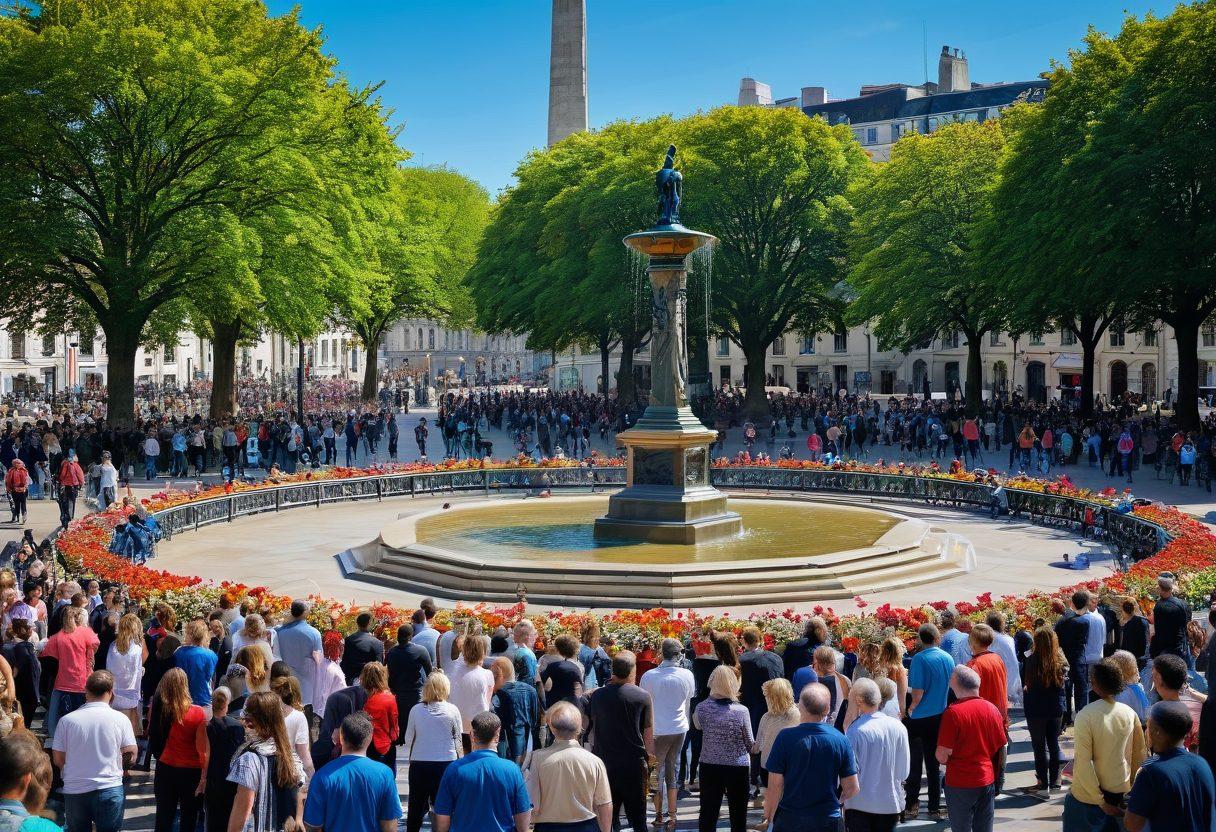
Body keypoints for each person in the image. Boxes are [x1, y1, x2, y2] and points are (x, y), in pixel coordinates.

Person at [1064, 658, 1147, 831]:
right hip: (1119, 789)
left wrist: (1100, 801)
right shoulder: (1129, 713)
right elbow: (1139, 755)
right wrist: (1130, 790)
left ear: (1094, 684)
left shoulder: (1086, 715)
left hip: (1087, 797)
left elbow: (1084, 762)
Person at [763, 683, 858, 832]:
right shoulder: (841, 740)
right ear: (827, 709)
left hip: (790, 819)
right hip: (828, 819)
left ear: (800, 706)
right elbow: (852, 788)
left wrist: (770, 814)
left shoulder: (785, 737)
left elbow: (775, 785)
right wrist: (836, 802)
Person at [51, 671, 138, 832]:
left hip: (75, 789)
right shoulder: (121, 719)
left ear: (86, 691)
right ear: (111, 693)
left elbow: (57, 759)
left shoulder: (67, 721)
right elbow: (131, 755)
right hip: (110, 788)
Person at [583, 650, 653, 832]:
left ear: (613, 671)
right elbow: (647, 731)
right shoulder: (643, 696)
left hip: (605, 761)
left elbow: (589, 724)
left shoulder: (597, 696)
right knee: (638, 817)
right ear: (633, 671)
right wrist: (651, 759)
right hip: (633, 763)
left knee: (608, 817)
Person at [303, 711, 403, 832]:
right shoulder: (385, 774)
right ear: (370, 739)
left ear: (341, 737)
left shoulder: (322, 776)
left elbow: (313, 826)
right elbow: (389, 825)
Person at [432, 711, 531, 832]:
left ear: (472, 735)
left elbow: (442, 819)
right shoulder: (512, 770)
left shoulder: (454, 769)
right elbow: (523, 822)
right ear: (498, 735)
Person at [1125, 701, 1215, 832]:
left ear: (1157, 732)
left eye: (1149, 726)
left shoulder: (1150, 773)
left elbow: (1132, 824)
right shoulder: (1201, 763)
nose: (1146, 731)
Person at [936, 666, 1007, 832]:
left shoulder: (953, 713)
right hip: (986, 779)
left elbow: (941, 755)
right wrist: (999, 779)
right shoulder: (992, 709)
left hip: (960, 782)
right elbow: (1001, 747)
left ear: (955, 683)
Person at [524, 701, 613, 832]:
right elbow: (604, 803)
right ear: (579, 729)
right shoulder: (594, 761)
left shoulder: (538, 758)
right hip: (586, 826)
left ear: (552, 729)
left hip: (549, 827)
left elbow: (534, 803)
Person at [225, 691, 305, 832]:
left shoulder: (249, 760)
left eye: (248, 720)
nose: (244, 723)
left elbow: (243, 809)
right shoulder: (290, 755)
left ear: (257, 723)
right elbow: (301, 794)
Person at [639, 637, 695, 828]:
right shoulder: (687, 674)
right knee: (672, 769)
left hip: (658, 730)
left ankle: (659, 814)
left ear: (662, 652)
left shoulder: (649, 676)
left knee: (656, 772)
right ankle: (672, 814)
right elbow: (688, 700)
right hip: (679, 728)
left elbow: (644, 705)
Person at [692, 664, 755, 832]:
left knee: (708, 813)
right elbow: (749, 742)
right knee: (738, 814)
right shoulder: (742, 711)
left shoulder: (702, 708)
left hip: (710, 764)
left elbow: (698, 726)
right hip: (738, 765)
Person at [843, 678, 909, 832]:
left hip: (859, 804)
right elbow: (903, 771)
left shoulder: (855, 730)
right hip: (889, 803)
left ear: (859, 701)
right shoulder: (898, 727)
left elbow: (849, 771)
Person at [147, 668, 209, 832]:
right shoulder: (197, 712)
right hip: (191, 771)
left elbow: (152, 737)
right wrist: (204, 776)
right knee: (189, 817)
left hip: (166, 767)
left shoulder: (159, 710)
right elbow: (202, 748)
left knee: (164, 816)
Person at [904, 623, 954, 821]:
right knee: (934, 763)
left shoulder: (919, 659)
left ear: (921, 640)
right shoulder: (948, 657)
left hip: (919, 718)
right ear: (937, 638)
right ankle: (934, 805)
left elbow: (917, 692)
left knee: (915, 763)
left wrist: (911, 707)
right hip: (940, 716)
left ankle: (912, 804)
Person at [402, 672, 463, 832]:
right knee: (444, 806)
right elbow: (458, 739)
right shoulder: (453, 710)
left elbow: (408, 739)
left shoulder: (415, 710)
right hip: (446, 762)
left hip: (420, 762)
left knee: (416, 805)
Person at [1021, 627, 1068, 795]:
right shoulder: (1059, 661)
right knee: (1054, 743)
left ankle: (1042, 781)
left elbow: (1028, 682)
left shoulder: (1032, 660)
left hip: (1036, 708)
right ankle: (1055, 779)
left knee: (1039, 746)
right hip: (1055, 707)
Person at [42, 606, 99, 738]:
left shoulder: (57, 636)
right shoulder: (86, 632)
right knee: (83, 717)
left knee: (55, 716)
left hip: (62, 681)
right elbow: (96, 644)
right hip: (82, 681)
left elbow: (45, 652)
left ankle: (57, 738)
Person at [738, 627, 783, 797]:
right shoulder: (775, 658)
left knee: (755, 743)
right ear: (760, 639)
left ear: (744, 641)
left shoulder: (743, 660)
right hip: (772, 706)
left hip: (753, 706)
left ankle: (754, 779)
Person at [204, 687, 246, 832]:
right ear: (227, 703)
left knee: (213, 820)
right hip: (231, 780)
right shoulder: (237, 727)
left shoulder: (207, 726)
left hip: (214, 779)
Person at [385, 623, 432, 744]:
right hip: (415, 692)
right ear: (411, 636)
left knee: (400, 720)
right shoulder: (420, 650)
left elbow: (386, 669)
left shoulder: (391, 652)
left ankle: (399, 738)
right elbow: (430, 673)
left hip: (397, 693)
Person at [275, 600, 322, 720]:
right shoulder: (313, 633)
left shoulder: (280, 631)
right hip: (306, 683)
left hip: (286, 681)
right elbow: (319, 659)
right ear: (304, 613)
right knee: (306, 720)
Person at [490, 657, 540, 765]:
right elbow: (535, 718)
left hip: (504, 738)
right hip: (525, 737)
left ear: (499, 672)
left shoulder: (497, 693)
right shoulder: (530, 689)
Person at [449, 635, 494, 752]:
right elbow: (487, 702)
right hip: (478, 723)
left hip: (456, 721)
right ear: (483, 653)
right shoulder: (487, 675)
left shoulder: (453, 669)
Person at [1055, 591, 1092, 723]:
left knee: (1066, 688)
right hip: (1078, 659)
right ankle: (1081, 716)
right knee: (1081, 689)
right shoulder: (1083, 622)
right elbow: (1084, 641)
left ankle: (1066, 718)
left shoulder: (1062, 620)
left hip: (1064, 658)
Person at [270, 676, 315, 784]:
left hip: (269, 771)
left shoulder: (266, 715)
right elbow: (303, 753)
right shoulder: (298, 717)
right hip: (292, 774)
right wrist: (313, 776)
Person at [359, 662, 398, 771]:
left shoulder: (360, 697)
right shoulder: (389, 698)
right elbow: (394, 726)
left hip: (365, 744)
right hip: (384, 744)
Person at [176, 619, 219, 717]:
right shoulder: (211, 655)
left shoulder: (178, 653)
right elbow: (211, 678)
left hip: (182, 699)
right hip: (203, 699)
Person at [1150, 576, 1191, 662]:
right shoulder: (1183, 604)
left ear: (1160, 588)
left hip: (1166, 649)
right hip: (1181, 646)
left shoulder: (1160, 606)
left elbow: (1158, 630)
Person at [340, 613, 383, 684]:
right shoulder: (377, 643)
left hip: (350, 680)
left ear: (357, 623)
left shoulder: (348, 640)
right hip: (369, 682)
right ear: (369, 624)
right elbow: (378, 667)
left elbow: (344, 662)